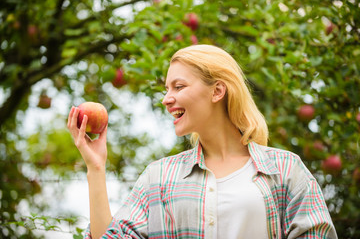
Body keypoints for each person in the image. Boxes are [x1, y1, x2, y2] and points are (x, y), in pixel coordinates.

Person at [67, 44, 338, 239]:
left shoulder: (285, 170)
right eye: (166, 89)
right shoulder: (159, 177)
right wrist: (96, 168)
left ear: (217, 91)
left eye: (179, 87)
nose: (166, 98)